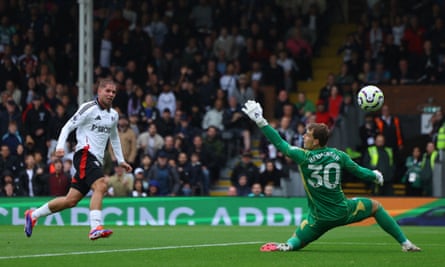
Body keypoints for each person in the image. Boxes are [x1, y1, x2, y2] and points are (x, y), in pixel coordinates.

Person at [241, 100, 421, 252]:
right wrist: (375, 176)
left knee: (296, 240)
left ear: (316, 141)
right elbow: (359, 171)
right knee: (375, 207)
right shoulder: (339, 155)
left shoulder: (304, 157)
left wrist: (260, 120)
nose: (303, 136)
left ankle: (286, 246)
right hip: (344, 211)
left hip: (319, 219)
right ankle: (405, 243)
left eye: (307, 135)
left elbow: (280, 143)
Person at [24, 79, 132, 240]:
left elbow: (114, 138)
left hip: (96, 160)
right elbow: (67, 127)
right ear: (99, 91)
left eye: (113, 92)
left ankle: (33, 214)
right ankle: (95, 227)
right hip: (85, 155)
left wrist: (121, 160)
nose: (111, 94)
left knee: (71, 200)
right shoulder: (88, 108)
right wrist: (59, 146)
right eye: (107, 91)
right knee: (101, 186)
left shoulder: (114, 115)